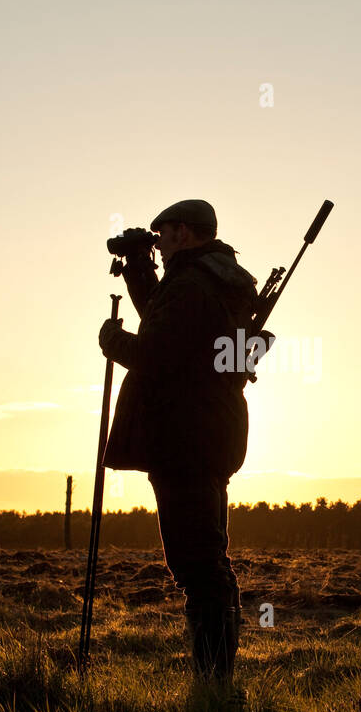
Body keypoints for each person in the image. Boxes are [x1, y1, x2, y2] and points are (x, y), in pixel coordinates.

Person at [97, 199, 258, 685]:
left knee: (195, 566)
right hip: (212, 431)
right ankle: (217, 679)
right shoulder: (216, 279)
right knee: (209, 558)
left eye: (162, 234)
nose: (159, 242)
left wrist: (111, 340)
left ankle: (212, 682)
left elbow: (157, 351)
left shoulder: (191, 285)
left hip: (184, 436)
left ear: (184, 232)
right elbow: (168, 324)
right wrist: (139, 271)